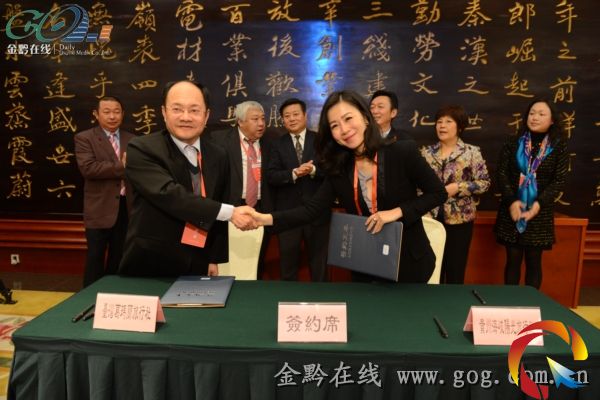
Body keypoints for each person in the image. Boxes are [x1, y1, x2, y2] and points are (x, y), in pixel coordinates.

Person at [252, 90, 447, 283]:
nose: (344, 129)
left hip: (408, 264)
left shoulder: (402, 151)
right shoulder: (339, 168)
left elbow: (438, 193)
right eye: (335, 125)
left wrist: (396, 212)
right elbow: (311, 210)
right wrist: (263, 218)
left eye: (348, 118)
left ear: (365, 117)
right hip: (365, 263)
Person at [118, 81, 255, 277]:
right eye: (177, 109)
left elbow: (220, 200)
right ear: (164, 112)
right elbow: (169, 195)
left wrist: (214, 258)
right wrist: (231, 213)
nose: (185, 117)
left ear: (206, 115)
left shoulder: (218, 154)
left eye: (194, 110)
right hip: (151, 259)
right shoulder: (141, 148)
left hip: (199, 257)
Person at [494, 99, 568, 289]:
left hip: (539, 212)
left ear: (552, 120)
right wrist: (511, 201)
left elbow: (558, 180)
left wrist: (538, 204)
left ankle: (532, 303)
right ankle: (509, 302)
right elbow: (501, 173)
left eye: (542, 114)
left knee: (534, 261)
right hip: (513, 209)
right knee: (512, 259)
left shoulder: (558, 146)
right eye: (532, 113)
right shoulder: (513, 142)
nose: (535, 117)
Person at [420, 105, 490, 284]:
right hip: (431, 218)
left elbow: (484, 183)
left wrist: (459, 187)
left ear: (459, 127)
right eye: (439, 122)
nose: (442, 126)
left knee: (455, 269)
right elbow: (418, 185)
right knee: (431, 268)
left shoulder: (471, 152)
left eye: (448, 121)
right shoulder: (426, 153)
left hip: (459, 220)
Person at [266, 98, 330, 281]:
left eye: (295, 114)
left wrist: (313, 170)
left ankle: (322, 298)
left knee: (319, 267)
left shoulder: (320, 141)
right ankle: (288, 298)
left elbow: (331, 171)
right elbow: (271, 176)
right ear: (283, 120)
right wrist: (294, 173)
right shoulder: (277, 144)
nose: (292, 119)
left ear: (305, 116)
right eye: (287, 116)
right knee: (288, 268)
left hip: (316, 214)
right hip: (288, 215)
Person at [74, 96, 135, 287]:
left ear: (123, 114)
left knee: (119, 257)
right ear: (96, 114)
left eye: (116, 112)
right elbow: (89, 169)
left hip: (126, 208)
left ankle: (113, 294)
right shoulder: (85, 138)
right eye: (106, 112)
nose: (112, 116)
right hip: (98, 208)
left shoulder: (133, 140)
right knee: (95, 258)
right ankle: (89, 297)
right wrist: (122, 166)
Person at [208, 101, 274, 277]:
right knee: (227, 262)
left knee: (255, 261)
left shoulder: (270, 143)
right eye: (255, 119)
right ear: (240, 121)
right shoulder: (219, 139)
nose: (261, 123)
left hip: (260, 209)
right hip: (231, 207)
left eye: (263, 119)